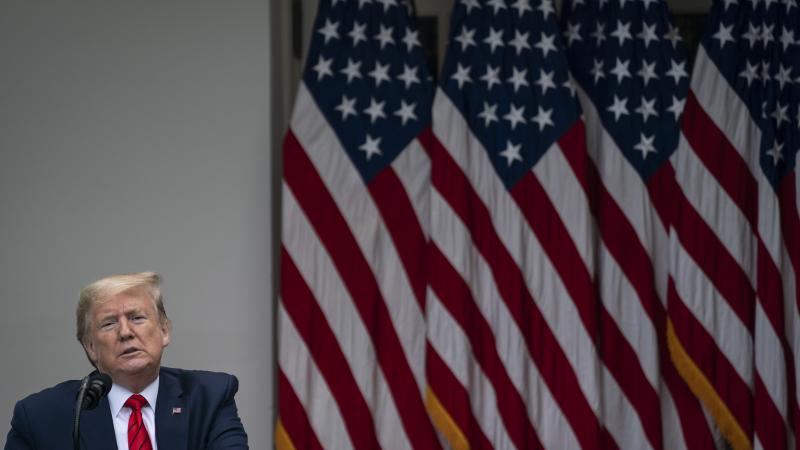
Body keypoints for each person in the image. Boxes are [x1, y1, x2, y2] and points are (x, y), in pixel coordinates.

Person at [4, 272, 248, 449]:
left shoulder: (209, 397)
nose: (125, 332)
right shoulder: (40, 416)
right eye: (109, 323)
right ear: (90, 347)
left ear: (164, 331)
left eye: (137, 318)